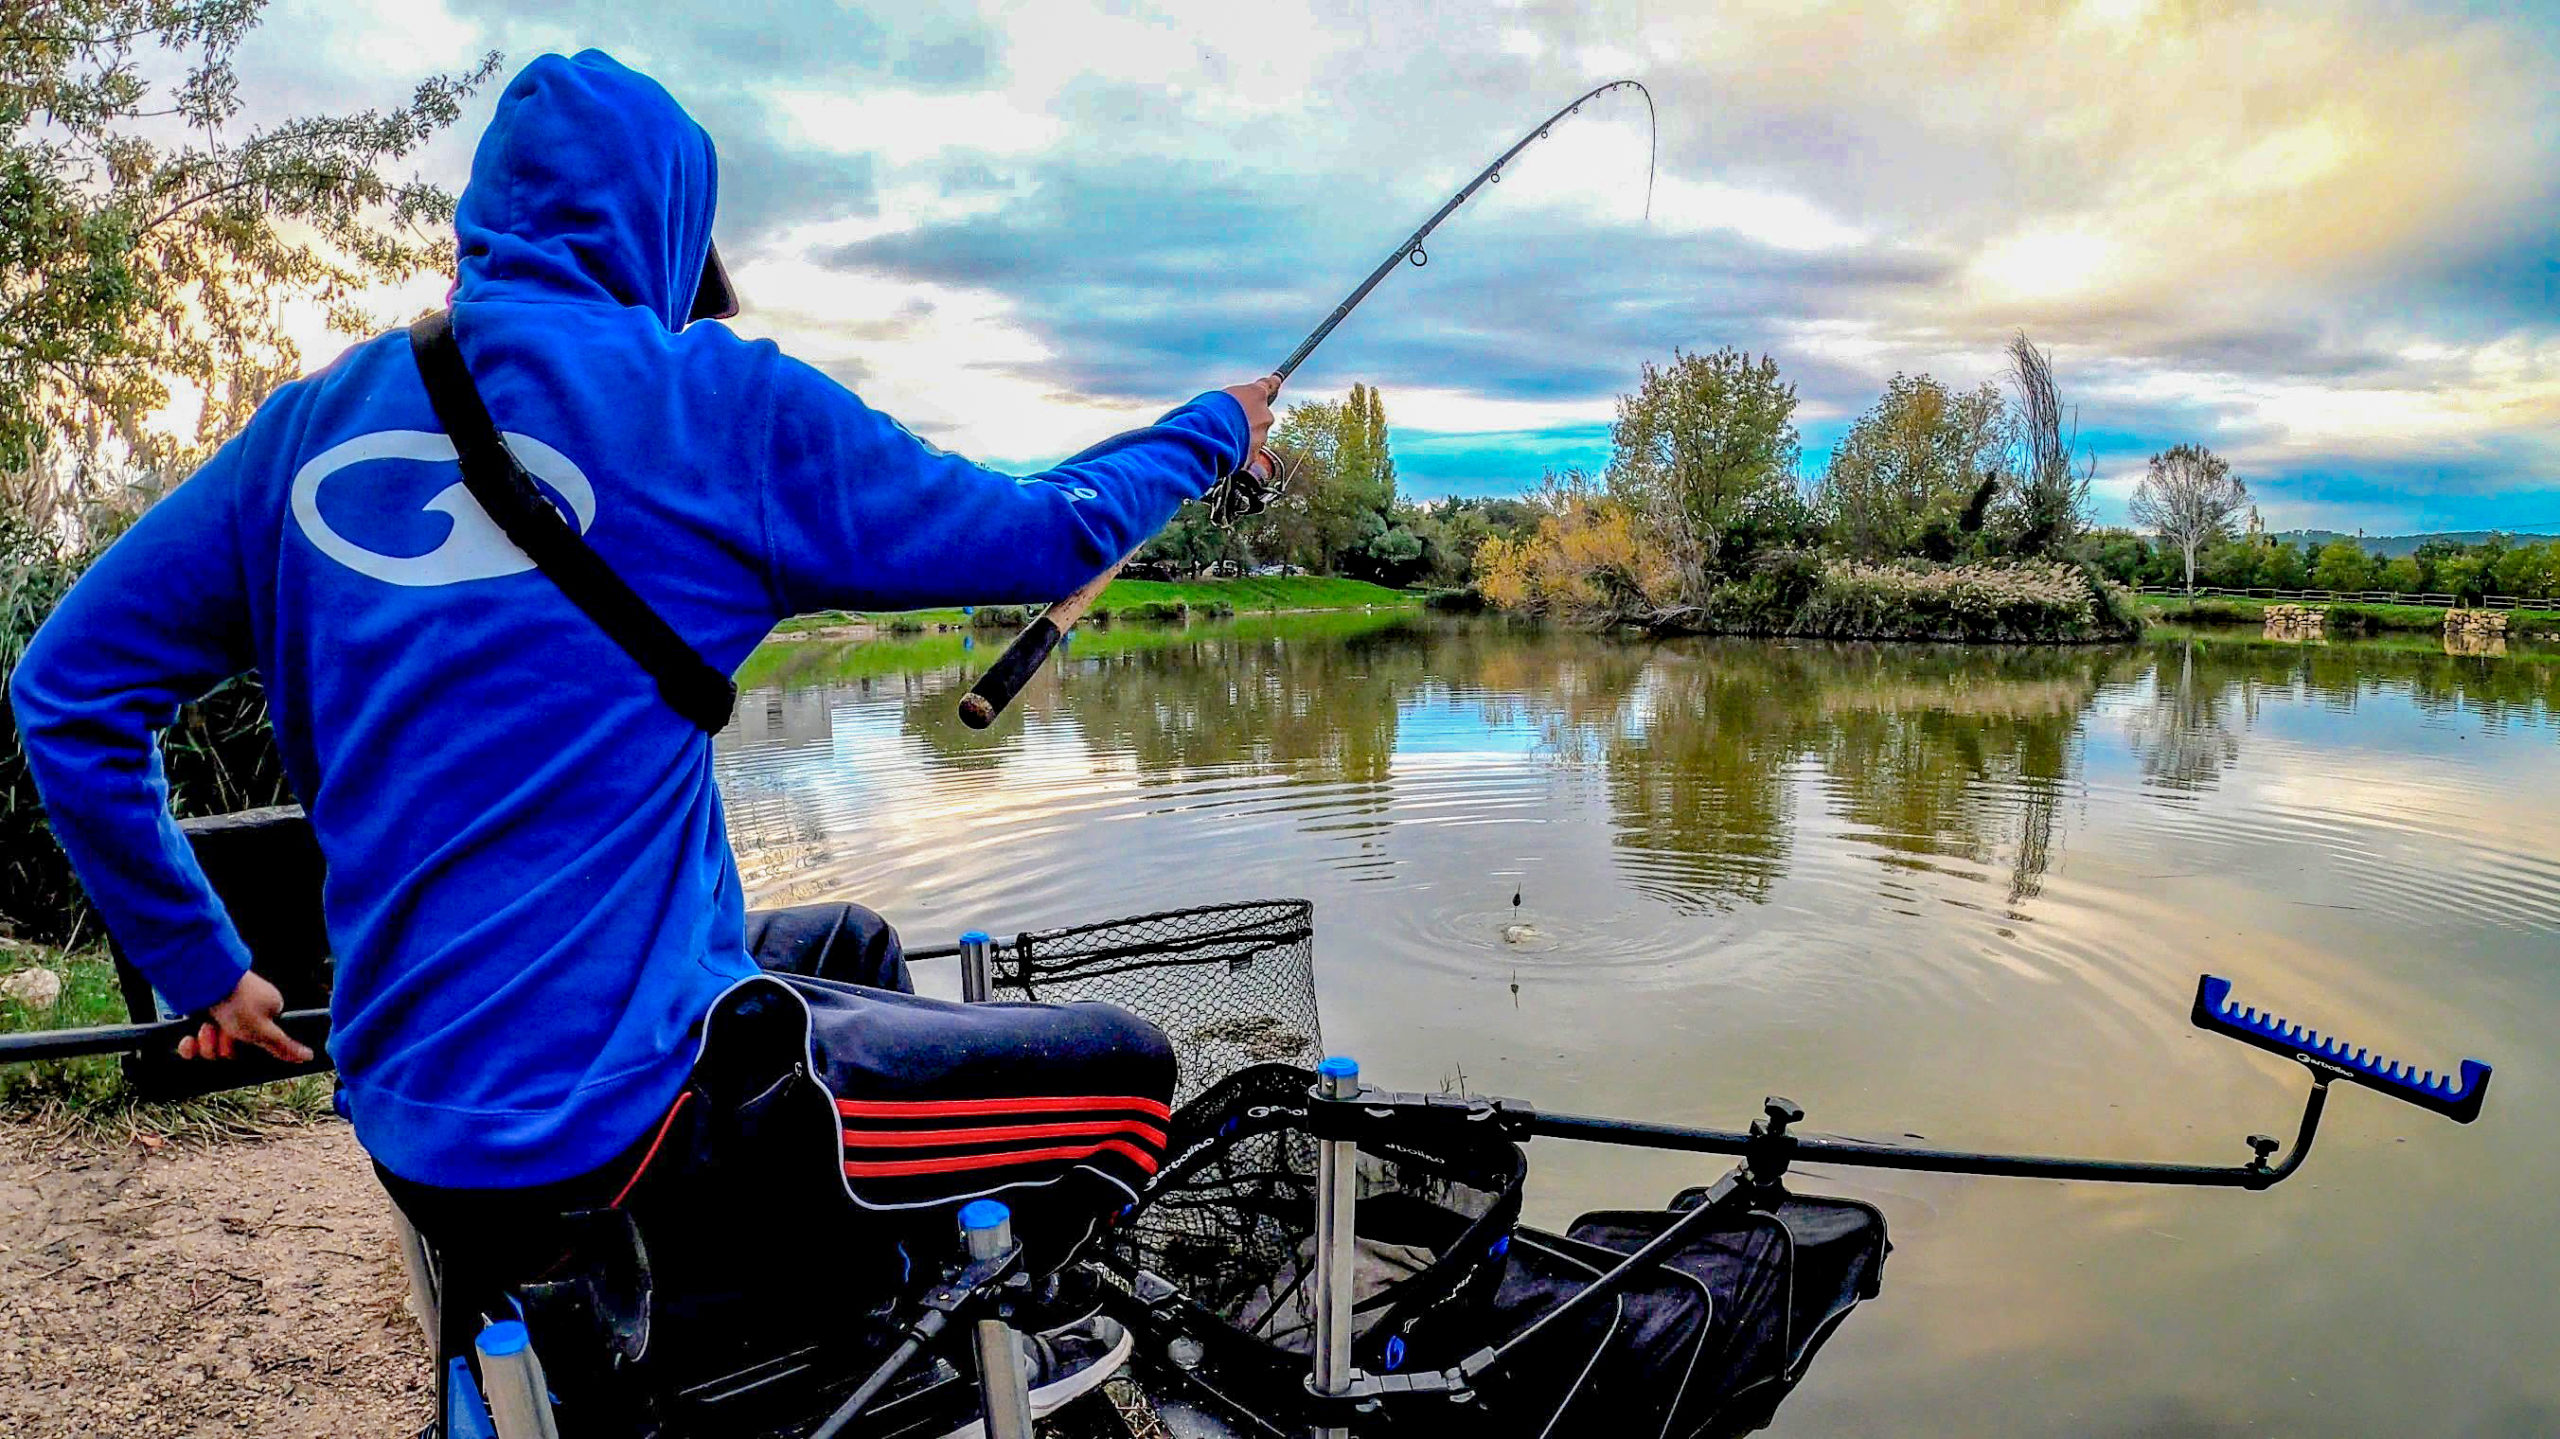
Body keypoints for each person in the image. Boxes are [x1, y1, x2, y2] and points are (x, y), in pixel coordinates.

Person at [9, 49, 1274, 1430]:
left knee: (845, 943)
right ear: (665, 231)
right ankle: (965, 1364)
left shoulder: (298, 434)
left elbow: (63, 695)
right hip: (621, 1132)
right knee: (1130, 1079)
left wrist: (203, 967)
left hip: (414, 1119)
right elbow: (1055, 532)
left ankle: (847, 1318)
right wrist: (1214, 431)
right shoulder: (714, 410)